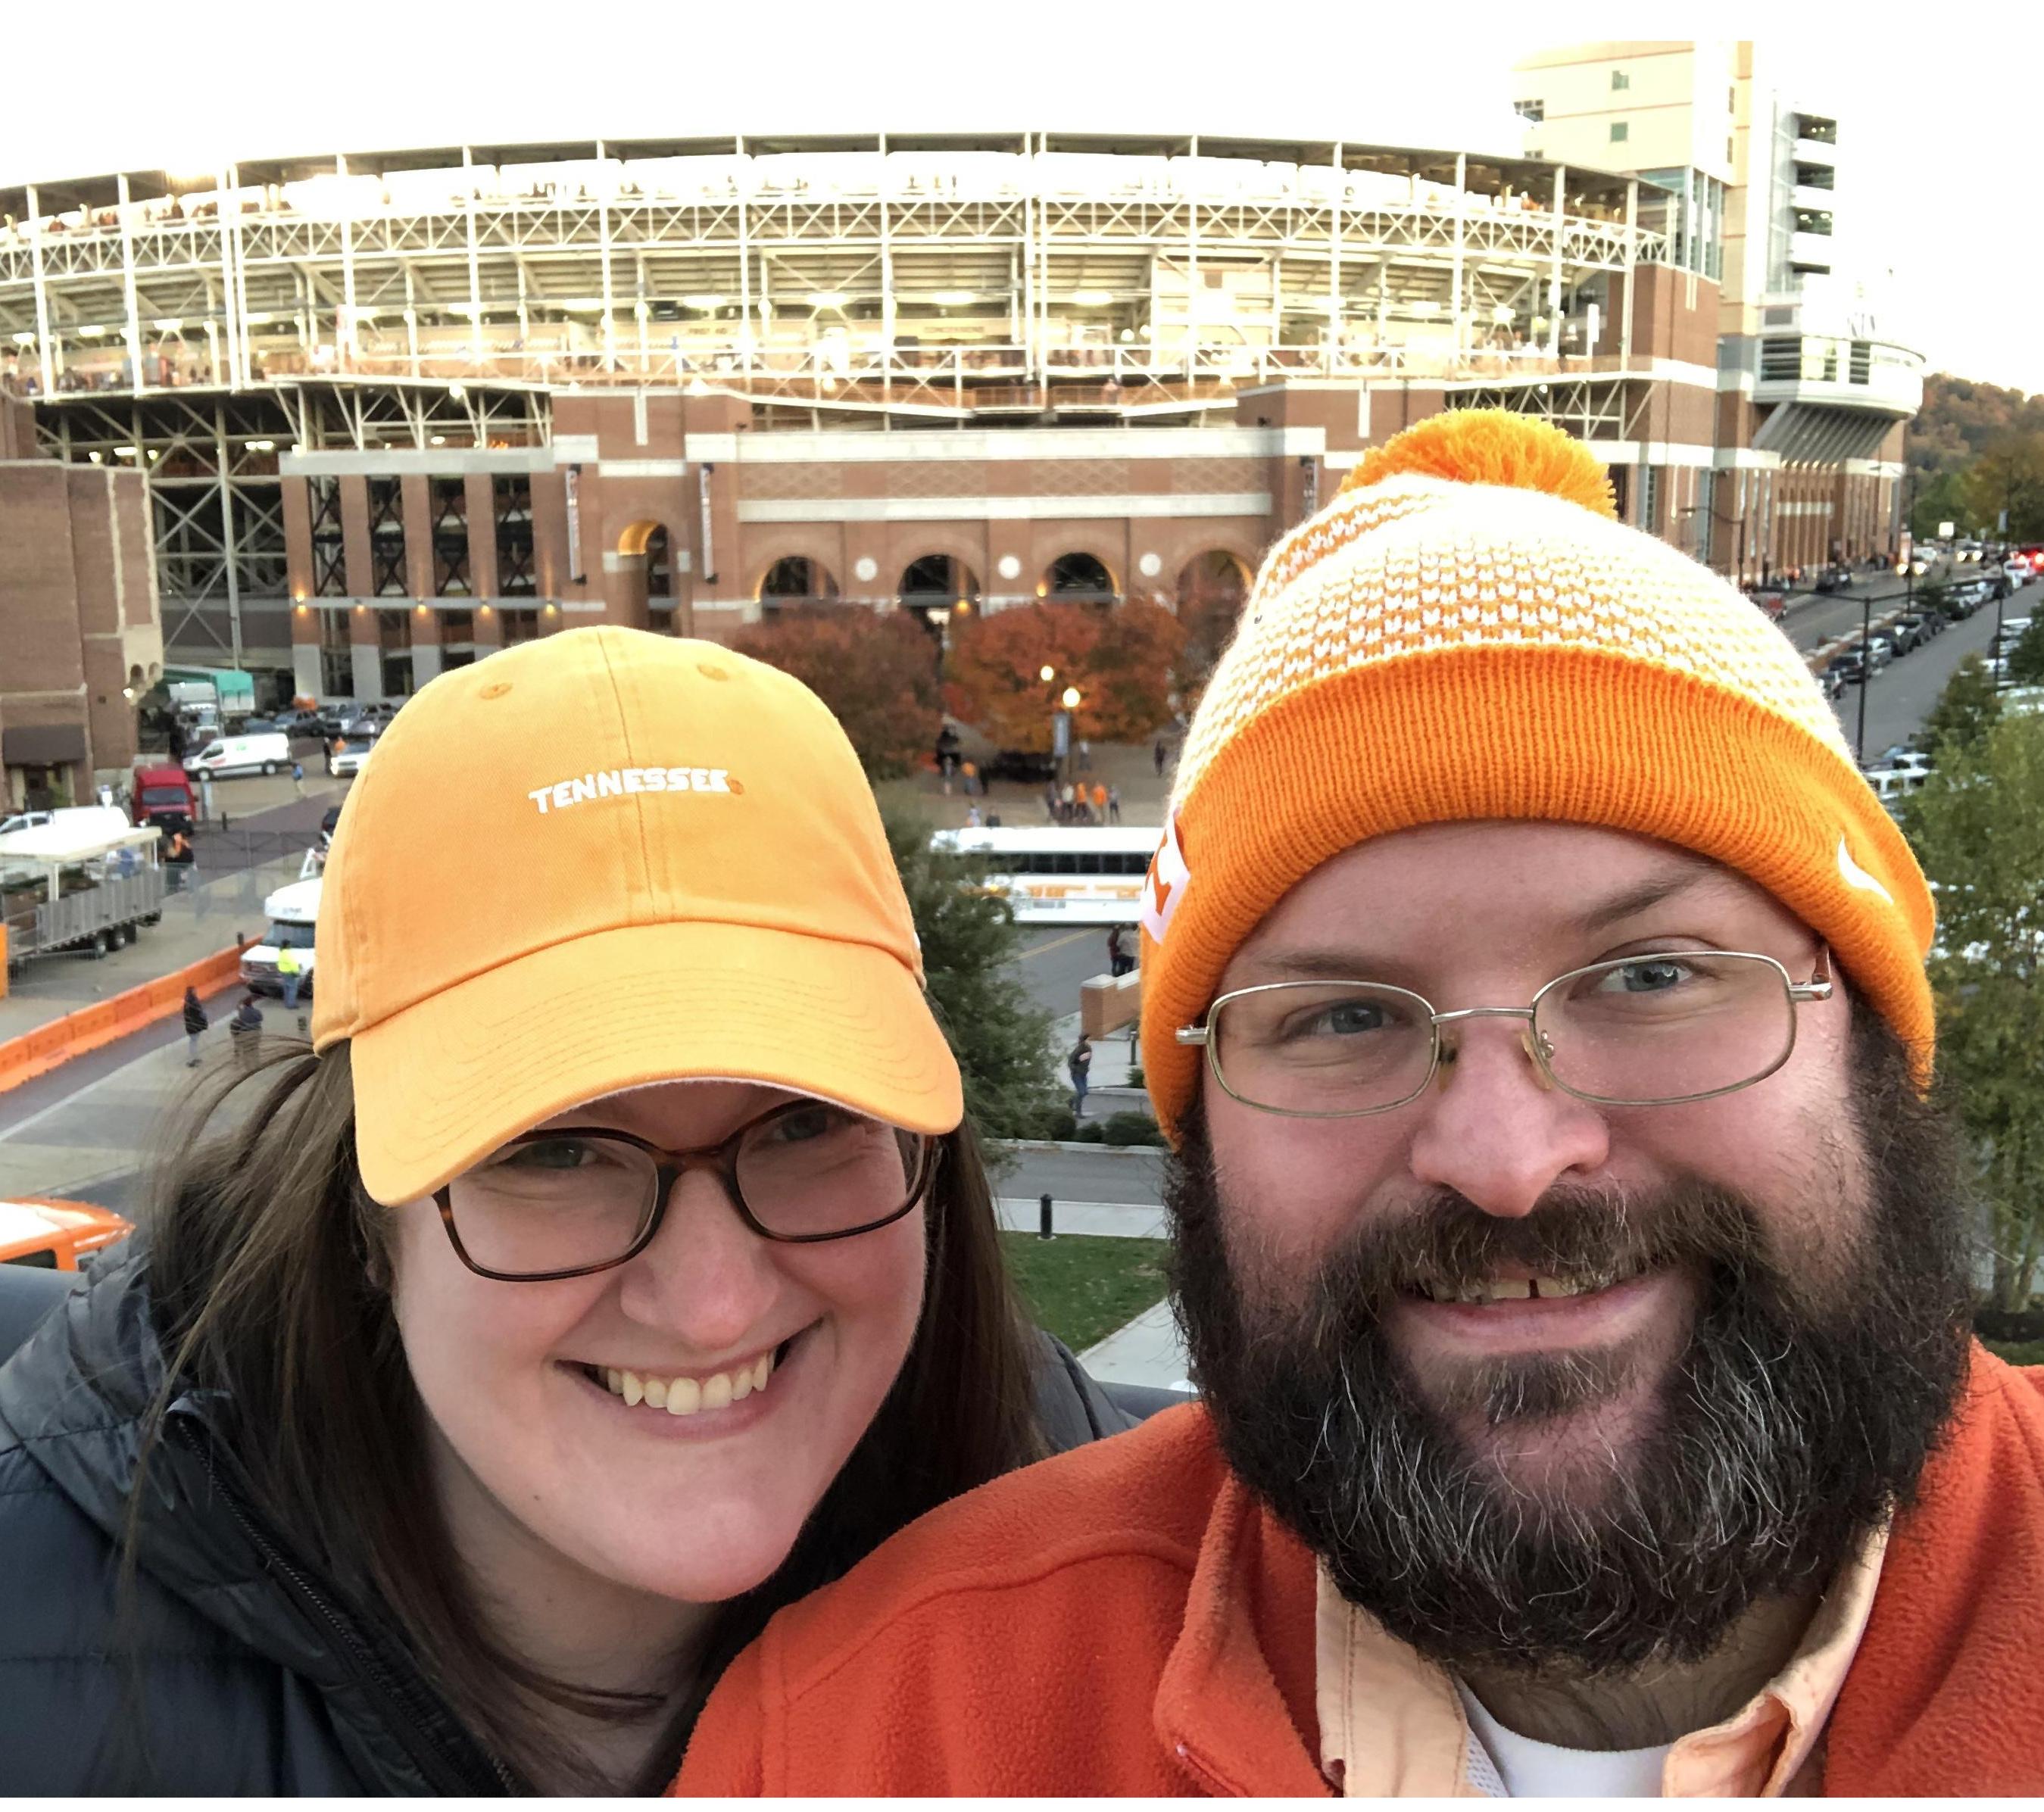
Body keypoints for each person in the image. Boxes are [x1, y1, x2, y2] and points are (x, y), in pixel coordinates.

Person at [675, 412, 2044, 1796]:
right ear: (1197, 1122)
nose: (1506, 1160)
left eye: (1646, 973)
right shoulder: (867, 1733)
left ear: (1871, 1030)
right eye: (1340, 1016)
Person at [0, 629, 1134, 1795]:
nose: (709, 1305)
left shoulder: (1129, 1582)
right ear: (361, 1219)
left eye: (805, 1122)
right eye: (555, 1150)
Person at [227, 990, 264, 1061]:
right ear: (251, 1004)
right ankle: (256, 1059)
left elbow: (238, 1008)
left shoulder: (242, 1013)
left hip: (246, 1033)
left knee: (245, 1049)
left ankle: (243, 1059)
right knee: (255, 1047)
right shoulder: (257, 1012)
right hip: (256, 1032)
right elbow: (261, 1019)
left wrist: (240, 1003)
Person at [1066, 1031, 1091, 1123]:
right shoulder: (1078, 1050)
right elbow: (1070, 1062)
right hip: (1077, 1075)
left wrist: (1086, 1068)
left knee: (1085, 1092)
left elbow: (1085, 1061)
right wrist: (1076, 1069)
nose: (1090, 1040)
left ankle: (1070, 1101)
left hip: (1083, 1074)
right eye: (1088, 1039)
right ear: (1084, 1041)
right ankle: (1078, 1112)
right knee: (1081, 1092)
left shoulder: (1089, 1049)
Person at [180, 984, 208, 1068]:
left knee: (194, 1041)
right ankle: (193, 1059)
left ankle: (194, 1058)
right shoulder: (193, 1003)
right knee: (193, 1042)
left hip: (191, 1025)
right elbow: (199, 1013)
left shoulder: (188, 1002)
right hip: (194, 1025)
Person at [275, 941, 303, 1011]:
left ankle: (287, 1003)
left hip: (284, 972)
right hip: (290, 972)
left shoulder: (281, 953)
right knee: (292, 989)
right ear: (287, 945)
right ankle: (291, 1004)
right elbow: (292, 963)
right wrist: (296, 971)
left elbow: (279, 963)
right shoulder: (288, 953)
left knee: (286, 988)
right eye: (290, 944)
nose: (291, 945)